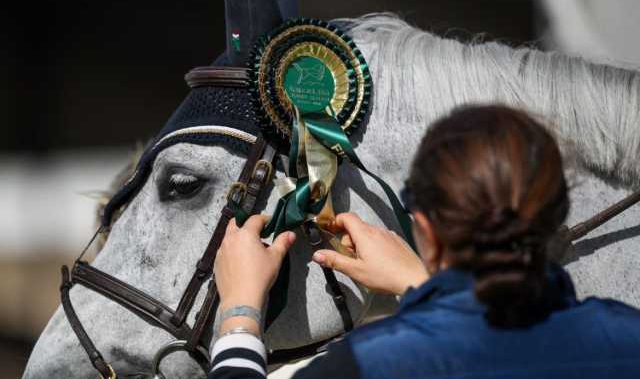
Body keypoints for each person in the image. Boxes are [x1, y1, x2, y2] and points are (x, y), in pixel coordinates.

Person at [208, 105, 640, 379]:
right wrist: (421, 286)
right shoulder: (627, 337)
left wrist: (239, 315)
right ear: (556, 217)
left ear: (427, 231)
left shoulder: (370, 365)